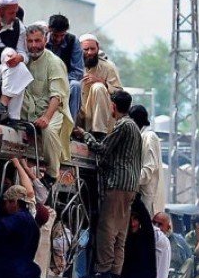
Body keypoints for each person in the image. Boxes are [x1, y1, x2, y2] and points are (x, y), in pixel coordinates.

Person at [72, 90, 142, 278]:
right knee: (120, 230)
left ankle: (103, 269)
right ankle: (115, 272)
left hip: (117, 184)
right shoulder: (135, 127)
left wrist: (85, 135)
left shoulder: (123, 125)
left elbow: (102, 148)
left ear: (113, 106)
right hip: (129, 186)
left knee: (106, 228)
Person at [21, 24, 74, 187]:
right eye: (30, 41)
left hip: (52, 110)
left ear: (45, 40)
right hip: (29, 109)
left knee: (49, 130)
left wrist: (46, 117)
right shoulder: (25, 59)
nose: (33, 45)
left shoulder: (53, 62)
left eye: (37, 40)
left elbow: (57, 95)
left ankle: (52, 174)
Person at [78, 33, 123, 136]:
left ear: (98, 48)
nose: (90, 52)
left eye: (92, 49)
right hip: (80, 115)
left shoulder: (108, 67)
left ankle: (99, 133)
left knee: (98, 87)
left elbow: (120, 94)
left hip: (101, 118)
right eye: (86, 49)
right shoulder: (73, 66)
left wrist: (103, 83)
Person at [46, 14, 84, 120]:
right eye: (55, 35)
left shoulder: (73, 41)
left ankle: (70, 124)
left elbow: (78, 71)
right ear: (49, 30)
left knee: (76, 86)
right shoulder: (42, 38)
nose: (58, 39)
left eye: (62, 36)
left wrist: (61, 80)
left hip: (65, 80)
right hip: (44, 79)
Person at [130, 105, 165, 216]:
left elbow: (148, 170)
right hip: (143, 196)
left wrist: (128, 181)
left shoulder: (149, 137)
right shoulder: (142, 136)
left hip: (149, 199)